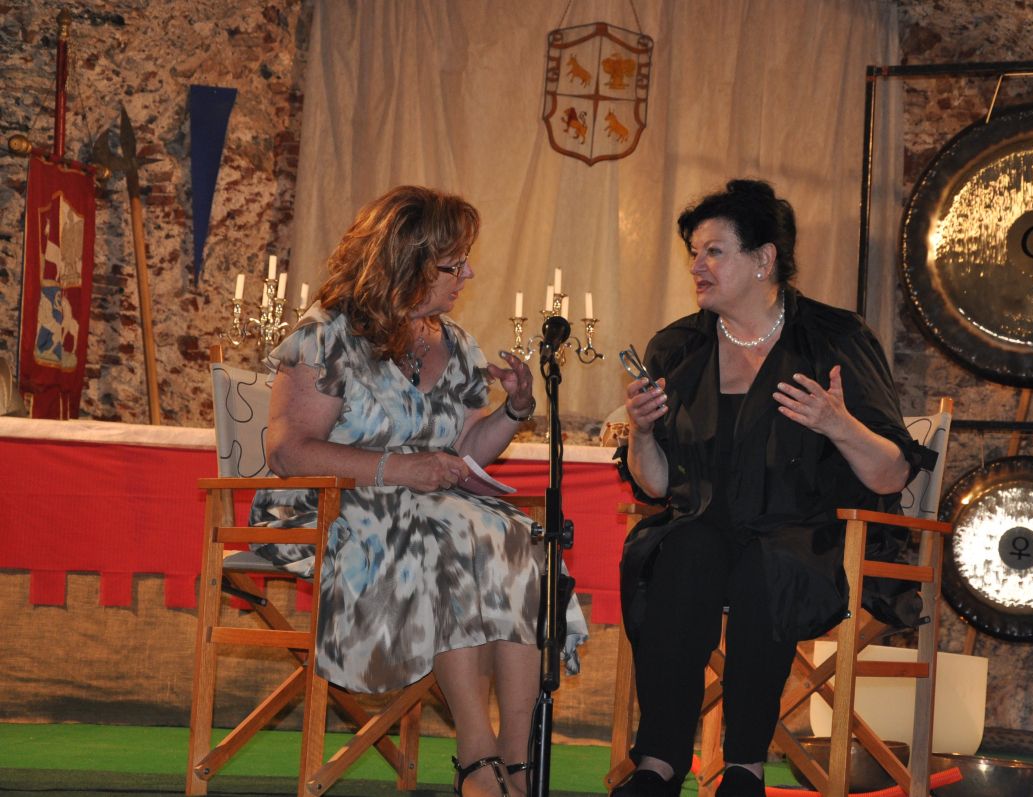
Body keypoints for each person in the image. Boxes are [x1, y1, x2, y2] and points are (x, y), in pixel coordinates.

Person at [248, 185, 584, 797]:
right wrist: (403, 470)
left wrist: (514, 409)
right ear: (407, 264)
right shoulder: (327, 335)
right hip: (334, 513)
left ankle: (518, 761)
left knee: (522, 537)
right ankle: (476, 756)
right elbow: (288, 451)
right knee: (455, 530)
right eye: (454, 265)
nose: (468, 274)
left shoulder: (453, 342)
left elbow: (464, 454)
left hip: (432, 509)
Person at [614, 179, 926, 797]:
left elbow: (891, 475)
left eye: (714, 252)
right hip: (705, 526)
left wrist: (838, 424)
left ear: (764, 259)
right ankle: (659, 763)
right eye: (694, 253)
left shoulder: (834, 339)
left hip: (806, 534)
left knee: (768, 567)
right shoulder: (678, 347)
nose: (697, 267)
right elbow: (656, 487)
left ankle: (744, 769)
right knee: (681, 552)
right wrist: (641, 433)